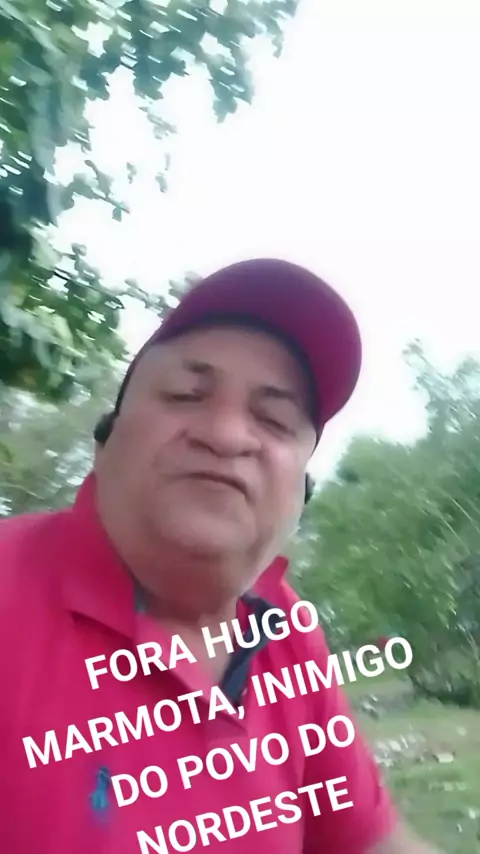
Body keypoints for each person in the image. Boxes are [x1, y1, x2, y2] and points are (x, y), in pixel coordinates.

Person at [0, 258, 440, 853]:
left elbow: (370, 843)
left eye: (274, 418)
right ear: (105, 442)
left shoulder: (287, 634)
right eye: (186, 394)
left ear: (302, 492)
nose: (226, 435)